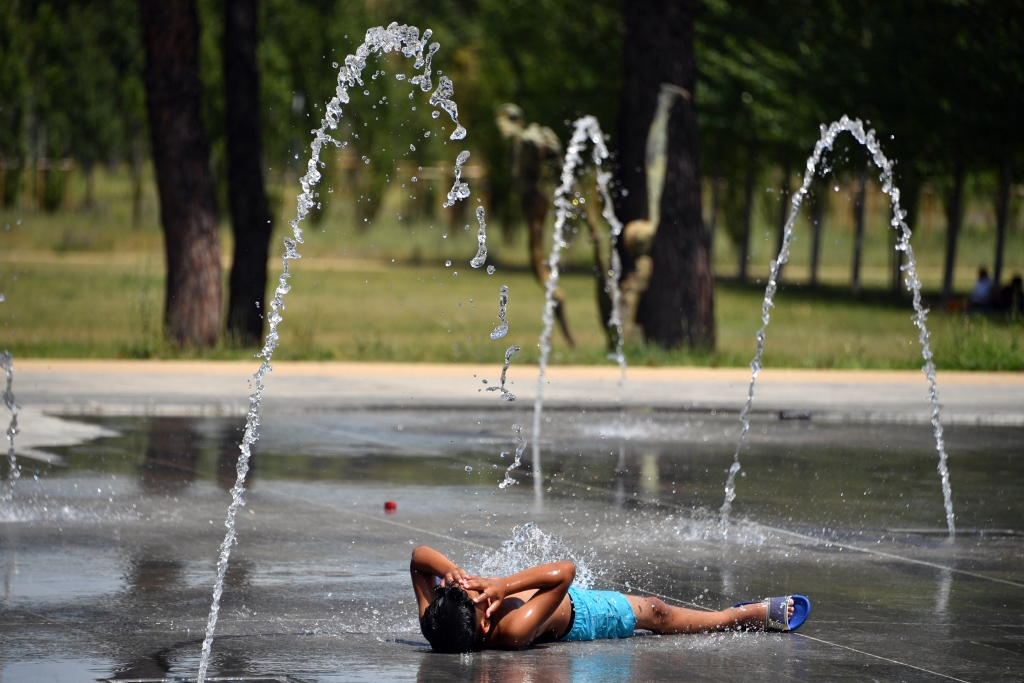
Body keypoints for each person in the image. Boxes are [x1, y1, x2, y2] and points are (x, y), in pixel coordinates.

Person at [410, 545, 810, 653]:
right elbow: (565, 573)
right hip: (582, 616)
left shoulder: (437, 625)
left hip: (552, 596)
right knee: (657, 611)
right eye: (480, 598)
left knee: (655, 609)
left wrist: (452, 572)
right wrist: (503, 586)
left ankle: (732, 615)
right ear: (484, 625)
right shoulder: (511, 630)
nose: (480, 589)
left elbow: (418, 559)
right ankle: (735, 618)